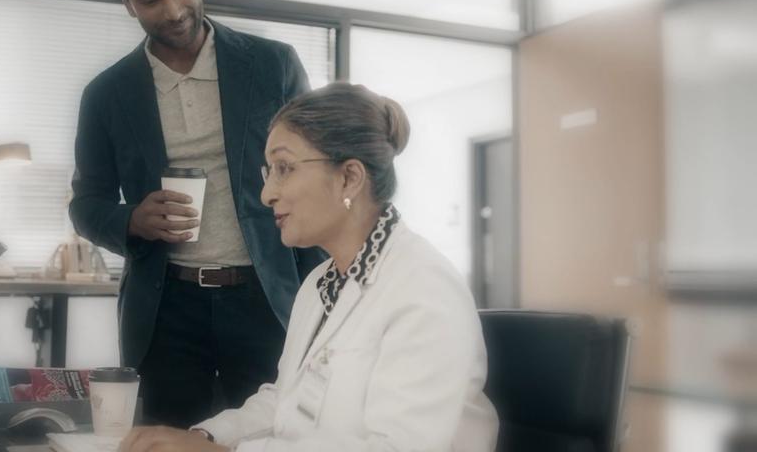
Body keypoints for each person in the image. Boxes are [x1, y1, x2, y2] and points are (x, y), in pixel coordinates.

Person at [119, 82, 498, 452]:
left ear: (349, 177)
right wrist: (205, 437)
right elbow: (285, 401)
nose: (267, 194)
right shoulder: (321, 283)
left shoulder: (424, 289)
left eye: (284, 167)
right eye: (269, 172)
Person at [69, 0, 325, 428]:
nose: (173, 11)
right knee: (170, 439)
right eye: (150, 0)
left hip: (265, 297)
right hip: (167, 310)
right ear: (127, 4)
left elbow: (313, 176)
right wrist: (131, 220)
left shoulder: (274, 66)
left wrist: (324, 294)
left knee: (270, 436)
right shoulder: (106, 94)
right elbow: (86, 203)